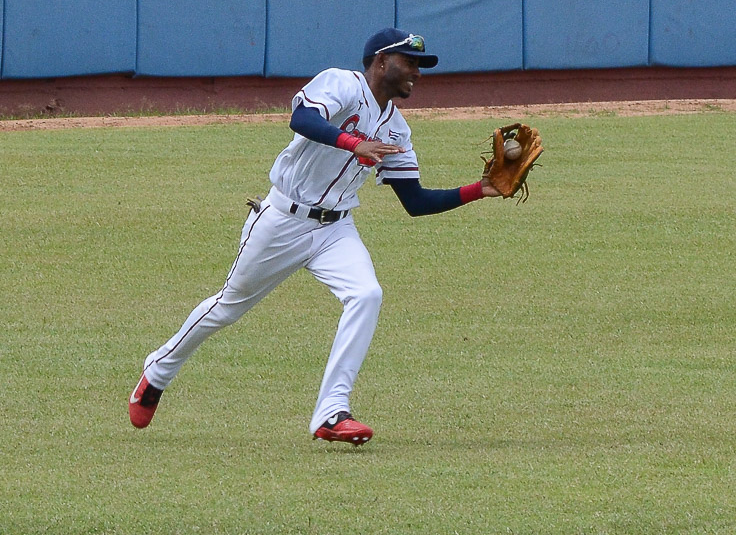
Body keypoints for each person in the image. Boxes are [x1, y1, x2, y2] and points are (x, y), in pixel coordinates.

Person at [129, 28, 500, 445]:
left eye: (420, 65)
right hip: (283, 219)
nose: (417, 72)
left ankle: (331, 413)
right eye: (410, 62)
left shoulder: (397, 130)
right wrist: (352, 142)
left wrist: (479, 189)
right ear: (381, 61)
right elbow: (302, 118)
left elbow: (414, 201)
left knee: (366, 294)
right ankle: (157, 370)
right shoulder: (342, 83)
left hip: (335, 229)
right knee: (227, 307)